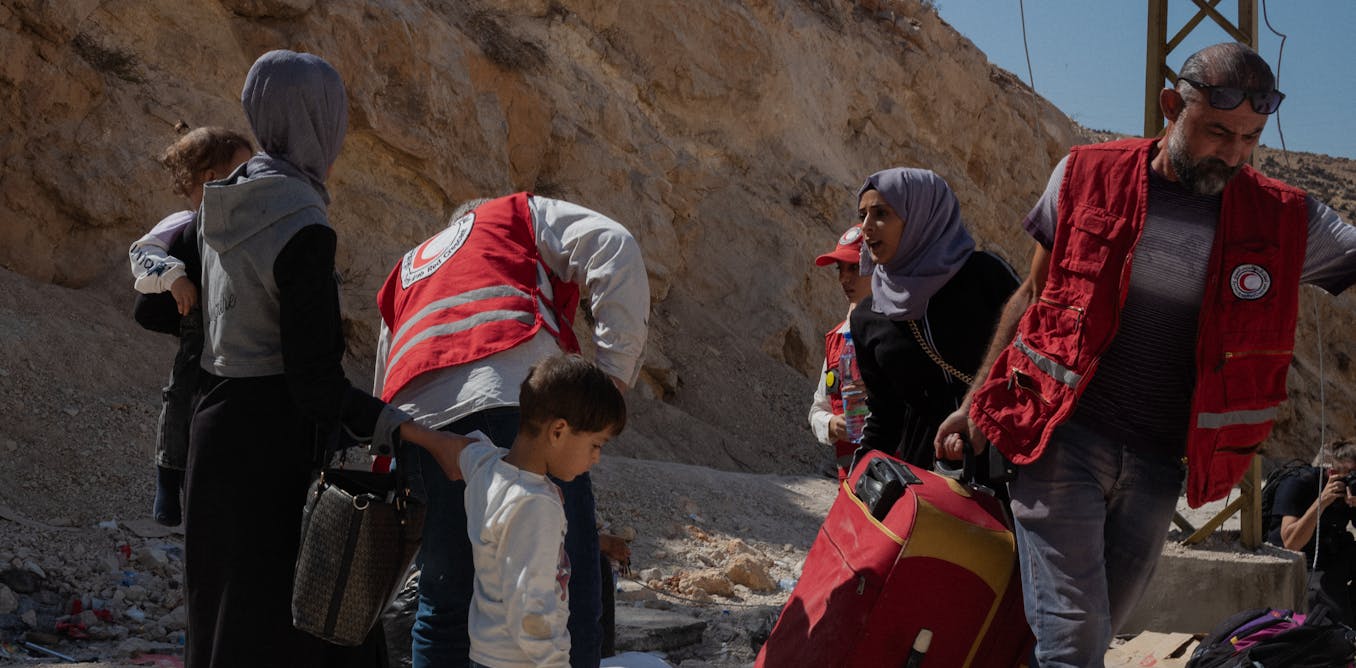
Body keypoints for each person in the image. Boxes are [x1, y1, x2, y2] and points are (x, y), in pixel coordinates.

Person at [934, 42, 1356, 667]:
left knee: (1095, 627)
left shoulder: (1283, 219)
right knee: (1075, 634)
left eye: (1250, 137)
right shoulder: (1083, 174)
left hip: (1160, 461)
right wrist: (974, 404)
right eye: (1218, 132)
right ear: (1170, 107)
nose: (1234, 153)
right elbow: (1032, 294)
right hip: (1060, 436)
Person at [182, 50, 470, 667]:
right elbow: (314, 385)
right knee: (313, 624)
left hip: (214, 434)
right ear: (321, 121)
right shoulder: (304, 222)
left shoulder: (221, 200)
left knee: (226, 618)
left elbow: (180, 326)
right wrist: (419, 435)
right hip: (272, 450)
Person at [372, 192, 649, 667]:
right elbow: (614, 245)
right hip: (511, 395)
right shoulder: (510, 215)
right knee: (573, 593)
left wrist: (393, 453)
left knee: (444, 603)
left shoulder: (409, 267)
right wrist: (609, 387)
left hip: (423, 423)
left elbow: (387, 367)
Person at [462, 354, 627, 668]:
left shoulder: (489, 468)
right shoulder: (537, 505)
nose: (596, 459)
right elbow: (531, 612)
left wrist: (408, 430)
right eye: (596, 444)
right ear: (558, 431)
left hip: (486, 656)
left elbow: (463, 449)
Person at [848, 168, 1017, 469]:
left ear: (920, 216)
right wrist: (859, 482)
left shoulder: (984, 275)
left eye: (881, 213)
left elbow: (1033, 351)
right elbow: (884, 419)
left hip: (1010, 466)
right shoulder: (869, 316)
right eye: (863, 216)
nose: (867, 227)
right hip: (927, 481)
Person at [128, 126, 253, 526]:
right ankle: (169, 481)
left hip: (234, 331)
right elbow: (142, 252)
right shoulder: (185, 222)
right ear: (211, 179)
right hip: (197, 325)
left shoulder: (246, 225)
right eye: (243, 170)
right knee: (182, 393)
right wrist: (175, 277)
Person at [1266, 439, 1356, 625]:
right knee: (1330, 612)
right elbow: (1291, 543)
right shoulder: (1299, 483)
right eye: (1348, 474)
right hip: (1300, 559)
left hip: (1333, 550)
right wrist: (1322, 502)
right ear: (1332, 472)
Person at [807, 224, 873, 475]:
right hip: (850, 487)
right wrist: (832, 424)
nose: (843, 278)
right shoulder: (837, 340)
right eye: (840, 269)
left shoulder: (901, 332)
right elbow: (818, 408)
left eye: (853, 268)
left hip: (895, 488)